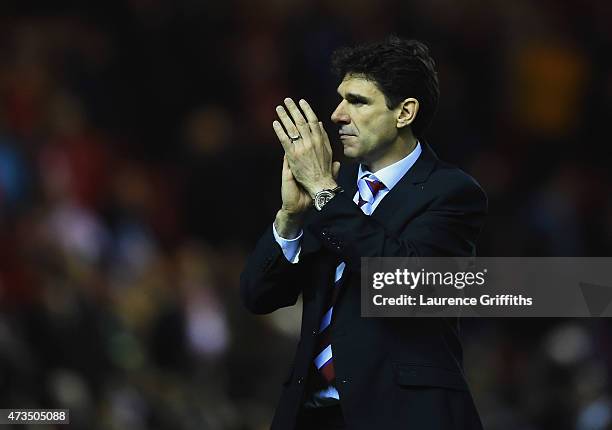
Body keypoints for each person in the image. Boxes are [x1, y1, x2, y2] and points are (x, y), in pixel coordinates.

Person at [240, 36, 487, 430]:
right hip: (311, 415)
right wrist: (290, 218)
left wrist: (324, 191)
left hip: (401, 416)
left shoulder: (452, 193)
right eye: (340, 99)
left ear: (404, 113)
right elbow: (257, 295)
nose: (337, 115)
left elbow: (406, 284)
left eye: (357, 101)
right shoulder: (336, 188)